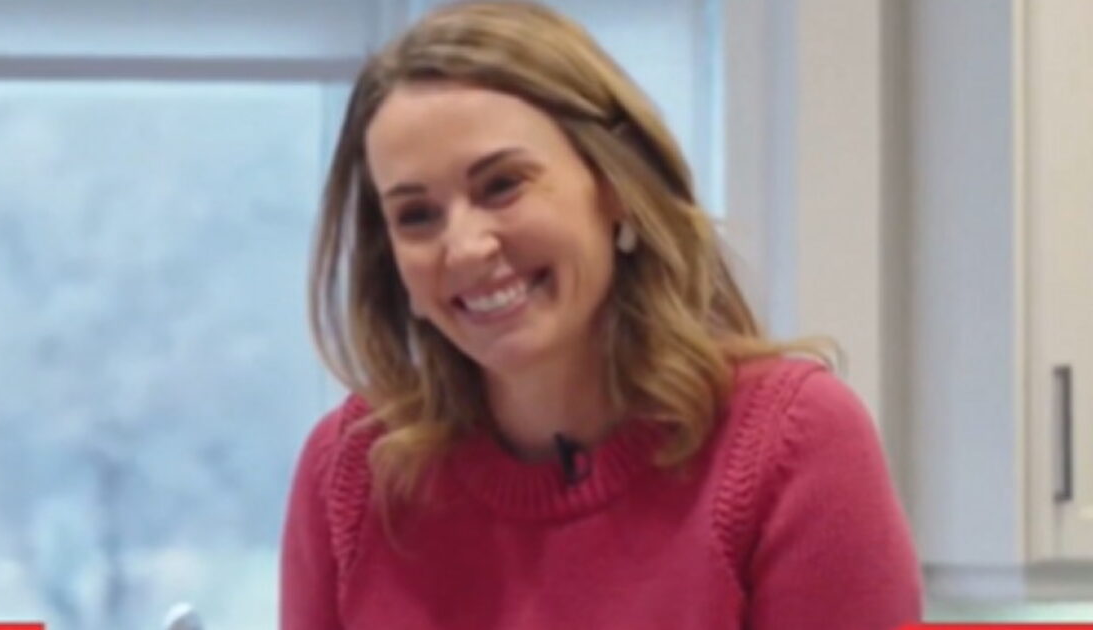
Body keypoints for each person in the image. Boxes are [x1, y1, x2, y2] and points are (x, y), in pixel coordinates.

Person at [281, 2, 922, 628]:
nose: (466, 248)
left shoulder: (790, 447)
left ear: (614, 186)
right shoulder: (350, 474)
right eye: (416, 216)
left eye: (502, 185)